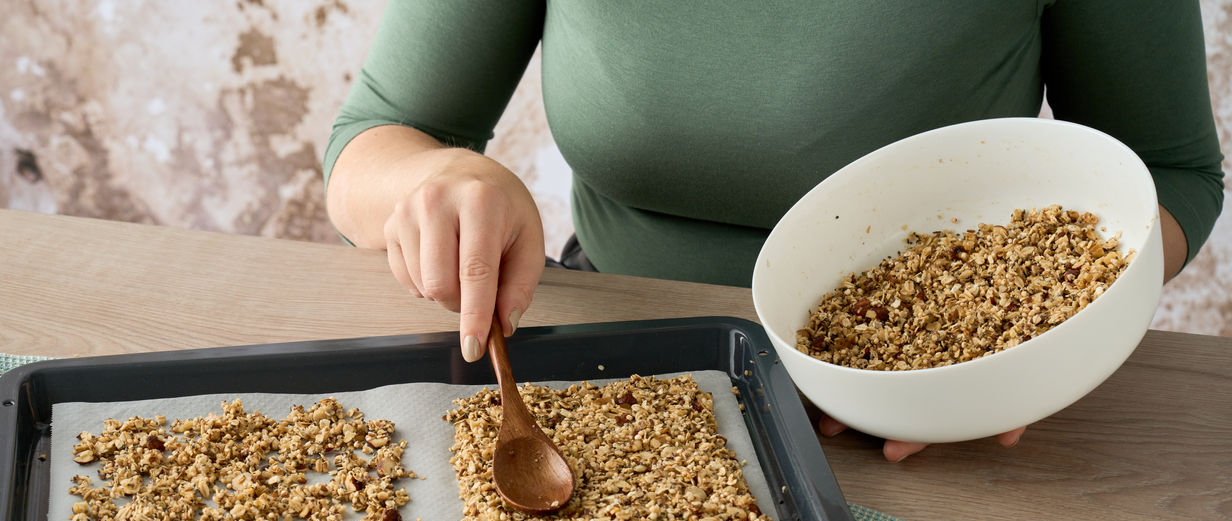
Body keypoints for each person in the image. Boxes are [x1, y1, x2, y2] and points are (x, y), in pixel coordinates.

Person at [323, 1, 1224, 461]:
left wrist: (1033, 337)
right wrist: (439, 175)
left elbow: (1171, 169)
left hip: (933, 407)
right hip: (617, 379)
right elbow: (376, 134)